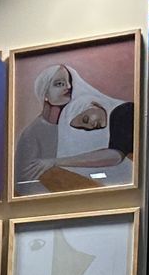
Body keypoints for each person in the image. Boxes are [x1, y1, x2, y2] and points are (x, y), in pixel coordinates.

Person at [14, 61, 134, 192]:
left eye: (69, 82)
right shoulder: (32, 133)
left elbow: (113, 157)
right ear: (45, 94)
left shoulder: (77, 115)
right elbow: (24, 182)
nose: (68, 87)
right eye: (59, 84)